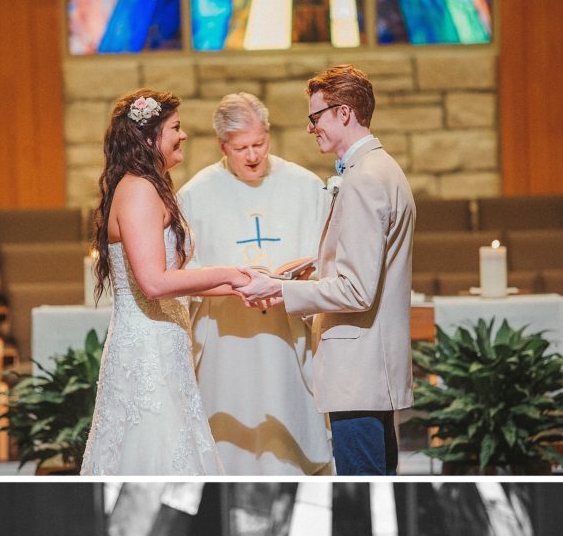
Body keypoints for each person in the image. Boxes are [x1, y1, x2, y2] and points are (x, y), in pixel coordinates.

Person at [236, 65, 415, 476]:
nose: (310, 128)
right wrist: (314, 267)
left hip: (359, 367)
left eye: (316, 117)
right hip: (371, 365)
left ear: (344, 113)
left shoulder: (365, 179)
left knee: (363, 486)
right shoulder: (380, 168)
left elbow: (356, 291)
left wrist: (280, 292)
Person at [80, 89, 251, 476]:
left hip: (165, 341)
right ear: (148, 137)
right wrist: (226, 273)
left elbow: (176, 277)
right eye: (175, 127)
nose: (184, 135)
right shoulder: (139, 191)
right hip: (147, 349)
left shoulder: (153, 186)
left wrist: (244, 283)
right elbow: (155, 283)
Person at [178, 92, 333, 475]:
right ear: (221, 145)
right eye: (241, 148)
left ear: (268, 134)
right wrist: (235, 283)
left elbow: (325, 253)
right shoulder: (195, 194)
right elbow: (185, 267)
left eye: (260, 144)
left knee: (288, 416)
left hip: (286, 325)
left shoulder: (304, 184)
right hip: (226, 334)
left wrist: (296, 274)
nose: (252, 156)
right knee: (231, 425)